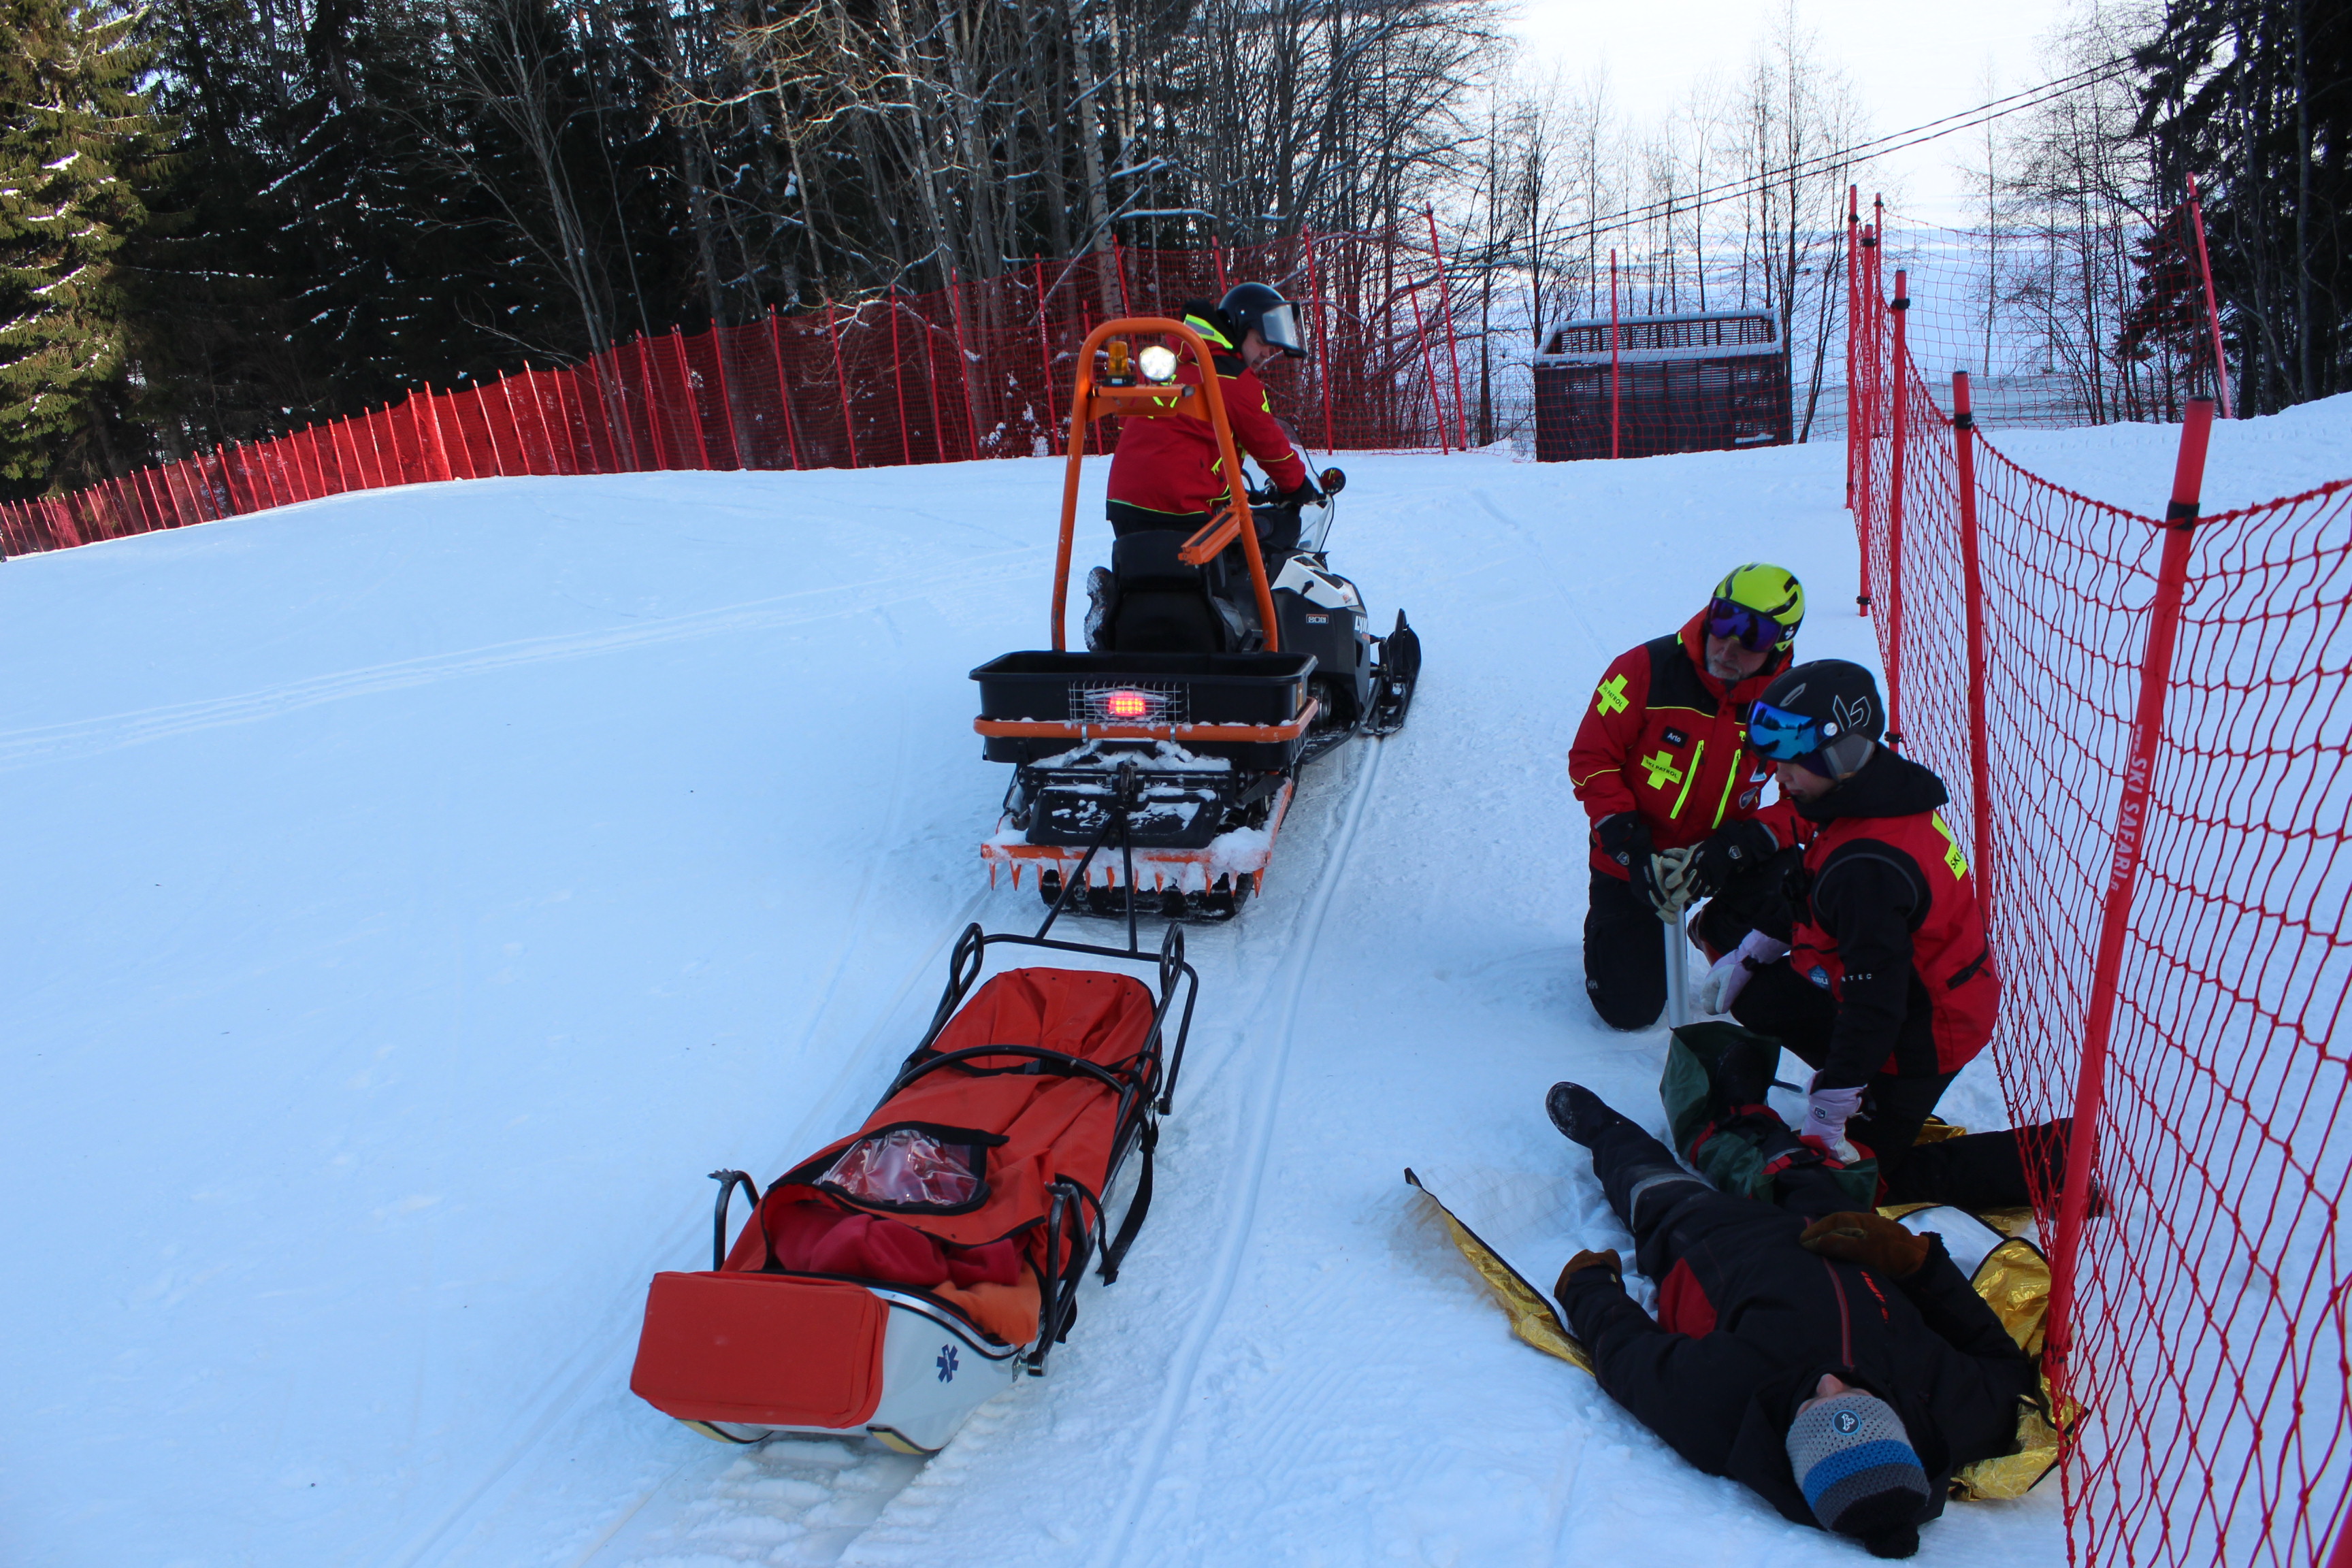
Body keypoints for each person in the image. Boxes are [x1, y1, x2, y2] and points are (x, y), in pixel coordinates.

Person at [1544, 1081, 2039, 1559]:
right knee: (1800, 1168)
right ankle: (1743, 1103)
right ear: (1901, 1426)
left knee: (1653, 1189)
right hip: (1839, 1239)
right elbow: (2004, 1362)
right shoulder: (1955, 1413)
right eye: (1857, 1395)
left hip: (1716, 1247)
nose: (1828, 1382)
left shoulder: (1722, 1411)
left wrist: (1589, 1290)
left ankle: (1606, 1131)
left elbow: (1630, 1359)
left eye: (1810, 1409)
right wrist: (1915, 1263)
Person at [1676, 659, 2061, 1209]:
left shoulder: (1868, 866)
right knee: (1758, 994)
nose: (1778, 778)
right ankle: (1863, 1090)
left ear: (1841, 753)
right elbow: (1813, 889)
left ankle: (2053, 1158)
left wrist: (1833, 1107)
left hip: (1924, 1034)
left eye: (1791, 765)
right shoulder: (1868, 795)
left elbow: (1877, 1005)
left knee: (1849, 1184)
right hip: (1893, 994)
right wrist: (1753, 952)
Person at [1569, 564, 1803, 1029]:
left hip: (1719, 855)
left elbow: (1811, 802)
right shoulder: (1644, 669)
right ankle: (1618, 932)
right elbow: (1592, 757)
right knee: (1629, 1011)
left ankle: (1715, 930)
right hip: (1636, 856)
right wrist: (1626, 840)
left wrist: (1740, 844)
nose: (1729, 645)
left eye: (1752, 634)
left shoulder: (1787, 704)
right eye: (1724, 620)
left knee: (1794, 870)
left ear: (1781, 645)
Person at [1089, 284, 1320, 652]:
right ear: (1240, 329)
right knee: (1228, 561)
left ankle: (1118, 609)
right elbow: (1270, 445)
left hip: (1124, 503)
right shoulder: (1232, 379)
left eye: (1272, 348)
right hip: (1183, 503)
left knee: (1150, 575)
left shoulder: (1174, 367)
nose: (1266, 353)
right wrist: (1299, 487)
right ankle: (1228, 624)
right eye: (1262, 341)